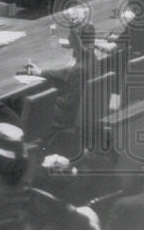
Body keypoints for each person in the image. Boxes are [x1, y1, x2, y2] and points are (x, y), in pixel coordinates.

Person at [23, 22, 99, 157]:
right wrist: (41, 72)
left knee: (32, 103)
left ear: (77, 43)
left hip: (70, 115)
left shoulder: (79, 69)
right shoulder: (92, 58)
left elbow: (69, 104)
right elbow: (67, 72)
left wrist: (49, 98)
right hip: (88, 109)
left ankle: (35, 149)